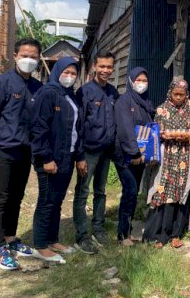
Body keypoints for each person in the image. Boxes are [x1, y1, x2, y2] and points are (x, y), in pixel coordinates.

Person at [0, 38, 43, 270]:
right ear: (15, 56)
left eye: (34, 57)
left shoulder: (37, 88)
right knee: (0, 198)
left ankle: (10, 238)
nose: (29, 60)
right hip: (2, 150)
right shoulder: (0, 83)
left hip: (24, 152)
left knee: (16, 197)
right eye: (25, 55)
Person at [30, 57, 85, 264]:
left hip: (66, 157)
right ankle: (40, 245)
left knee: (57, 201)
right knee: (46, 201)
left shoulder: (69, 96)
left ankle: (52, 240)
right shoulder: (47, 93)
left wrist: (78, 156)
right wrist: (46, 158)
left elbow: (77, 130)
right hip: (50, 159)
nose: (70, 77)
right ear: (57, 72)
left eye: (73, 73)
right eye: (66, 72)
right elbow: (39, 128)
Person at [72, 50, 119, 253]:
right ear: (94, 67)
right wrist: (79, 156)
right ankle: (82, 235)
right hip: (88, 153)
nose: (105, 70)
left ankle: (98, 228)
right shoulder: (84, 92)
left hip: (106, 152)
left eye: (109, 67)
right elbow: (78, 125)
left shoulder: (113, 93)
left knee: (100, 191)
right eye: (102, 66)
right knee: (83, 192)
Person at [143, 78, 190, 249]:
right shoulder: (162, 109)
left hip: (183, 157)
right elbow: (158, 132)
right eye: (176, 94)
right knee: (162, 190)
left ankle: (176, 234)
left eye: (182, 94)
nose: (179, 98)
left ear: (186, 94)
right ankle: (159, 235)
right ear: (170, 93)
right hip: (166, 156)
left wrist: (185, 135)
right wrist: (177, 135)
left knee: (181, 192)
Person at [114, 67, 155, 246]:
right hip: (126, 156)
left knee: (133, 193)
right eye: (138, 80)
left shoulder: (145, 103)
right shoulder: (124, 101)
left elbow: (149, 130)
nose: (141, 83)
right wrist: (135, 152)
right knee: (130, 192)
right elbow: (125, 130)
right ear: (130, 81)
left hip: (140, 157)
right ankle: (123, 235)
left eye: (144, 80)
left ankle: (128, 230)